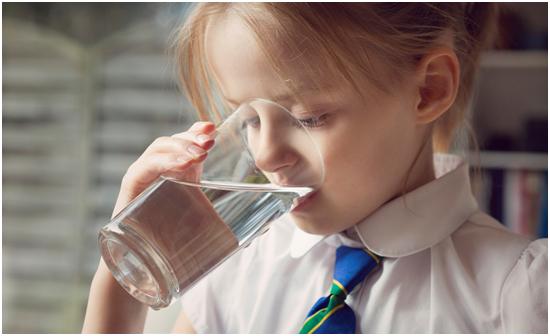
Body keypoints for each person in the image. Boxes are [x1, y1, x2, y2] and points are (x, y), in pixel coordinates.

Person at [82, 3, 548, 333]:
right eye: (247, 118)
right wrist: (126, 280)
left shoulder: (518, 297)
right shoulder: (242, 270)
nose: (264, 155)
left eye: (308, 118)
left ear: (428, 90)